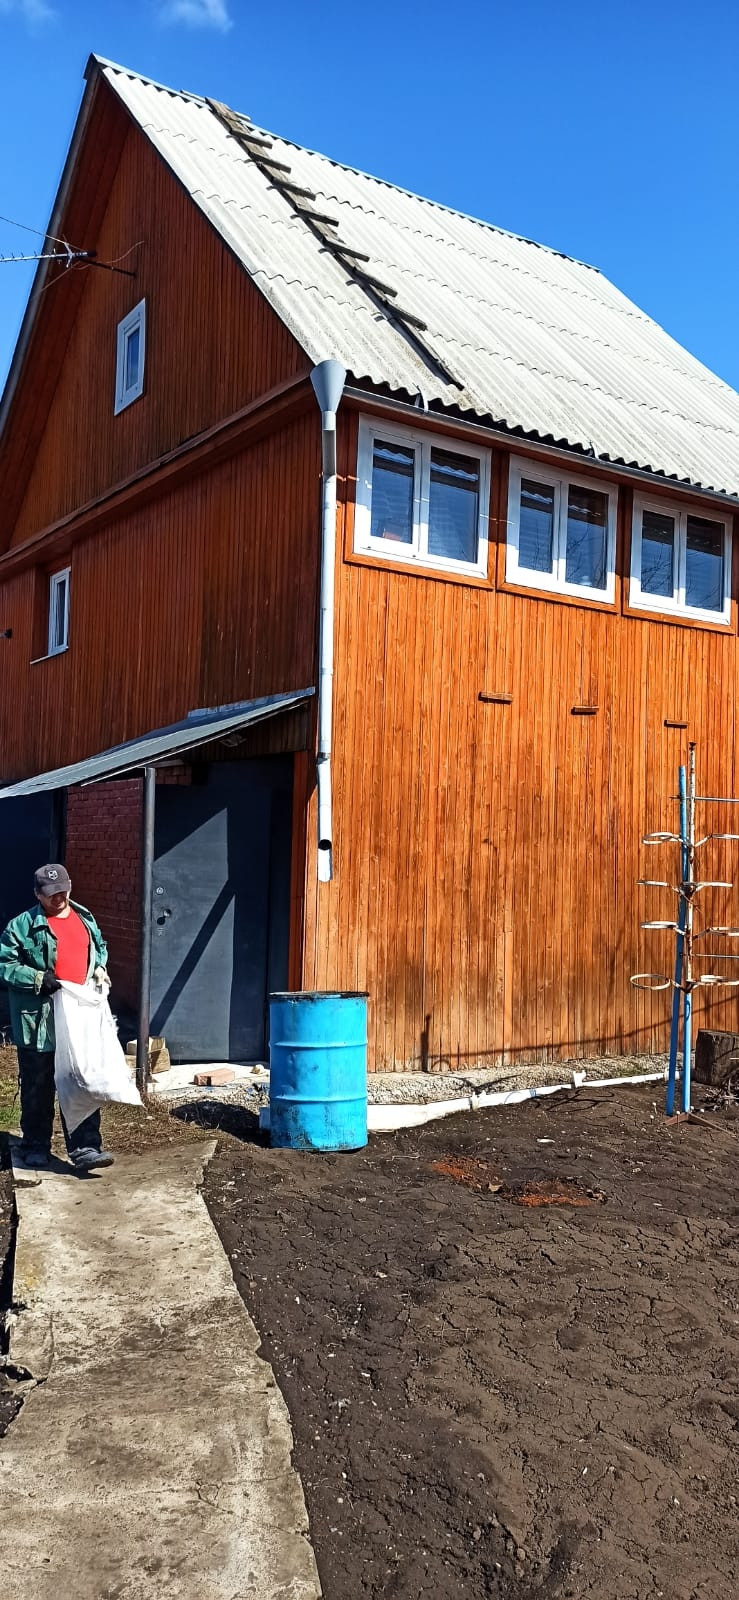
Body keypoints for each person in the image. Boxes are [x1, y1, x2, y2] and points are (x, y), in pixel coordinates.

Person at [0, 864, 115, 1171]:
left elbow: (99, 947)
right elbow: (5, 965)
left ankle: (86, 1147)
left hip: (78, 1020)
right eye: (51, 893)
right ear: (38, 894)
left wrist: (100, 967)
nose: (59, 897)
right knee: (38, 1086)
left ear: (70, 886)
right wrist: (37, 979)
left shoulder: (85, 918)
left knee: (80, 1083)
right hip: (39, 1023)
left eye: (63, 890)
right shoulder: (21, 926)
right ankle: (35, 1145)